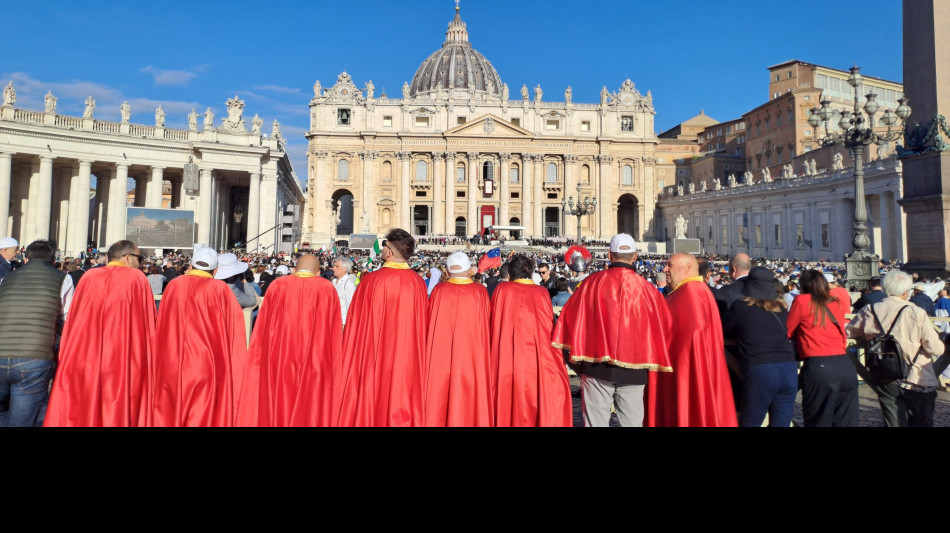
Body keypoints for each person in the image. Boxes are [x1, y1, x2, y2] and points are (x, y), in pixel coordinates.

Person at [553, 234, 672, 427]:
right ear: (635, 257)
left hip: (596, 366)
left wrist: (574, 359)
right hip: (635, 370)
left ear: (609, 255)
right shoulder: (649, 291)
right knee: (632, 423)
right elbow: (664, 327)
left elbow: (570, 318)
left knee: (595, 422)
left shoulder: (591, 283)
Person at [44, 240, 156, 427]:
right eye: (139, 258)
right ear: (127, 258)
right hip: (123, 358)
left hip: (86, 355)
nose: (141, 262)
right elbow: (147, 326)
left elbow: (74, 319)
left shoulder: (89, 277)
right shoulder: (137, 278)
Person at [335, 228, 429, 426]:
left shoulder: (371, 281)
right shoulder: (418, 284)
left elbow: (356, 323)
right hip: (407, 356)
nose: (382, 249)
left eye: (384, 245)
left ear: (390, 252)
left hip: (374, 356)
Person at [237, 254, 342, 427]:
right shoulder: (326, 288)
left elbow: (264, 325)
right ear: (318, 272)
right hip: (315, 357)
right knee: (311, 400)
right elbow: (334, 329)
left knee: (280, 396)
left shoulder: (278, 285)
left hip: (281, 355)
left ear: (294, 270)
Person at [152, 248, 247, 427]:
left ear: (191, 265)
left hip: (171, 361)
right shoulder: (221, 290)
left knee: (169, 411)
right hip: (206, 363)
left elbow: (162, 323)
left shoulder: (173, 285)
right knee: (202, 415)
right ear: (216, 270)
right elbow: (233, 332)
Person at [647, 253, 737, 427]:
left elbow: (691, 337)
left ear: (687, 267)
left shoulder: (690, 294)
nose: (665, 269)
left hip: (682, 369)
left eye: (669, 265)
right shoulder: (695, 291)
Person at [847, 270, 945, 427]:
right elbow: (936, 349)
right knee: (921, 421)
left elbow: (849, 332)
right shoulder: (916, 312)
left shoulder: (869, 310)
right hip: (916, 378)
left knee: (894, 423)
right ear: (906, 292)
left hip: (884, 374)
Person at [490, 254, 572, 427]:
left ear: (511, 274)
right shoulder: (542, 292)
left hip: (507, 358)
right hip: (535, 358)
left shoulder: (501, 290)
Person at [0, 240, 73, 427]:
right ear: (52, 259)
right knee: (22, 421)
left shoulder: (7, 278)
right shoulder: (62, 278)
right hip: (35, 356)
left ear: (26, 257)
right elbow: (68, 316)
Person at [722, 267, 798, 427]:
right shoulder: (782, 308)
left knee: (751, 422)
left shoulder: (741, 307)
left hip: (761, 368)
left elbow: (726, 331)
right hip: (788, 368)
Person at [423, 251, 492, 427]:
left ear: (446, 271)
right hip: (471, 353)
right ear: (469, 270)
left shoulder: (439, 290)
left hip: (441, 354)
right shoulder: (479, 291)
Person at [786, 269, 856, 427]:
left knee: (818, 419)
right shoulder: (835, 301)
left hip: (819, 366)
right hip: (845, 366)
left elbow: (788, 330)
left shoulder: (802, 300)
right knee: (846, 421)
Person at [331, 256, 357, 325]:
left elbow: (351, 306)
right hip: (333, 320)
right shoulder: (334, 281)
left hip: (343, 323)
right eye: (334, 266)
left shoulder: (348, 284)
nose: (333, 268)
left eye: (337, 266)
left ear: (344, 269)